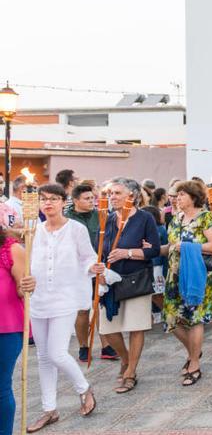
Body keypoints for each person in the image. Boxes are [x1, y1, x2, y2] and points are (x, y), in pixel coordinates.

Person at [27, 183, 98, 432]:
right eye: (44, 199)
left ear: (63, 202)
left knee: (57, 353)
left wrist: (92, 267)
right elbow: (27, 260)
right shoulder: (33, 230)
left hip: (65, 298)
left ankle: (84, 388)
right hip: (38, 298)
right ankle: (49, 409)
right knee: (43, 357)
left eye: (54, 199)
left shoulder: (76, 229)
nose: (48, 203)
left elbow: (88, 256)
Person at [98, 178, 160, 395]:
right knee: (108, 328)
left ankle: (131, 372)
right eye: (110, 193)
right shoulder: (106, 218)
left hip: (136, 278)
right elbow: (100, 250)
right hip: (111, 280)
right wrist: (100, 271)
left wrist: (128, 252)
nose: (111, 197)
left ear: (131, 196)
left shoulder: (145, 218)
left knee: (135, 326)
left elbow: (154, 250)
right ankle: (125, 359)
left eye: (116, 193)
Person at [161, 180, 212, 386]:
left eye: (182, 195)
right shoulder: (175, 219)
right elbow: (171, 245)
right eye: (176, 195)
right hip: (175, 275)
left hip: (198, 275)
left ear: (193, 197)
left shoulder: (205, 217)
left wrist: (187, 246)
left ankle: (194, 363)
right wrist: (147, 249)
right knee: (171, 318)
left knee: (195, 319)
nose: (177, 198)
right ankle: (194, 351)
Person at [64, 184, 117, 362]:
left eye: (92, 198)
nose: (91, 202)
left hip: (98, 265)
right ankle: (83, 346)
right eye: (87, 199)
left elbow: (108, 238)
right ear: (76, 200)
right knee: (83, 310)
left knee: (99, 306)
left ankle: (106, 345)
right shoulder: (66, 218)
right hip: (76, 270)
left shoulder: (101, 215)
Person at [0, 226, 31, 435]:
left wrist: (28, 285)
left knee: (0, 387)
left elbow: (22, 288)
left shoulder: (11, 249)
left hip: (6, 329)